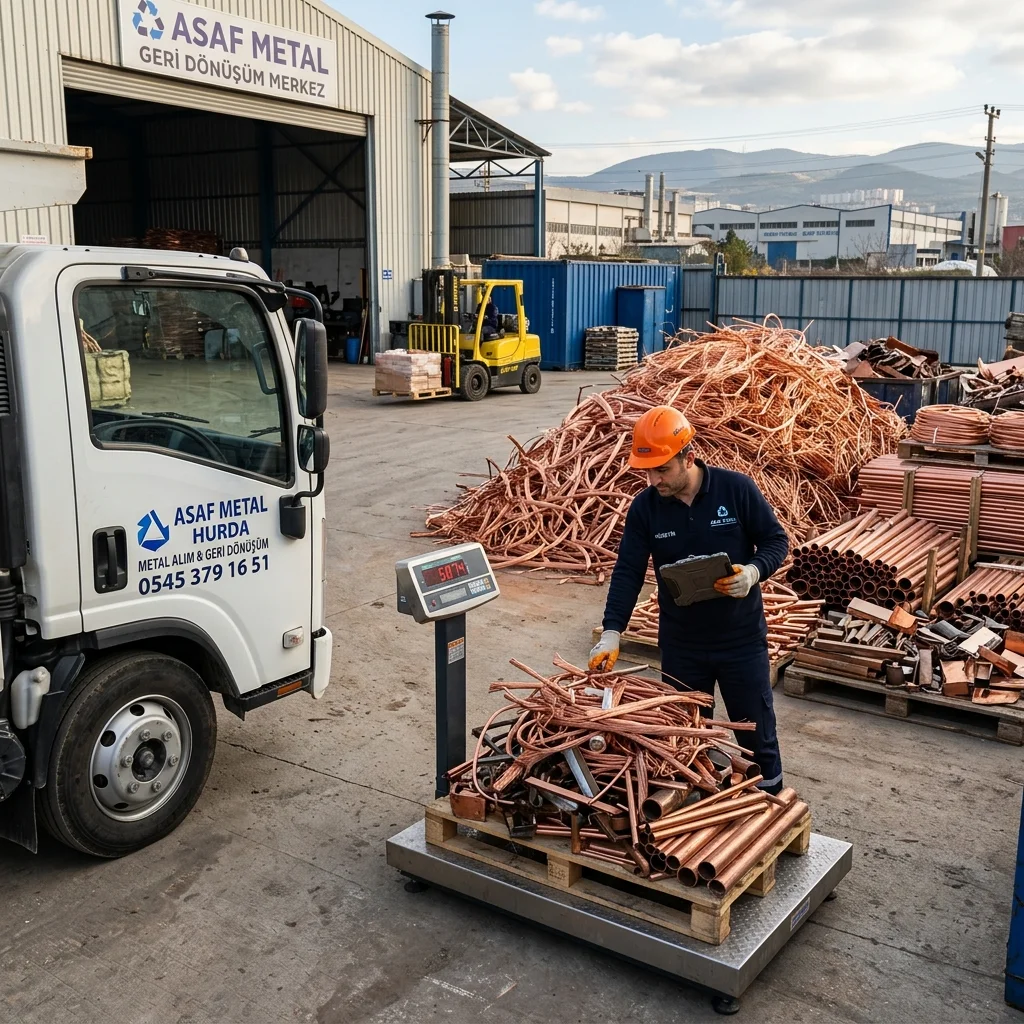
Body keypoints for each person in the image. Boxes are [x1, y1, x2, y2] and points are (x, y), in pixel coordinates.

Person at [589, 405, 790, 793]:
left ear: (689, 457)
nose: (653, 480)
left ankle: (770, 806)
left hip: (741, 642)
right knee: (685, 739)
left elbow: (775, 541)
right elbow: (628, 571)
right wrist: (612, 631)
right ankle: (701, 812)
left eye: (662, 470)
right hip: (682, 646)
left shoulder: (736, 491)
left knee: (757, 735)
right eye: (647, 471)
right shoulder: (646, 508)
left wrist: (753, 572)